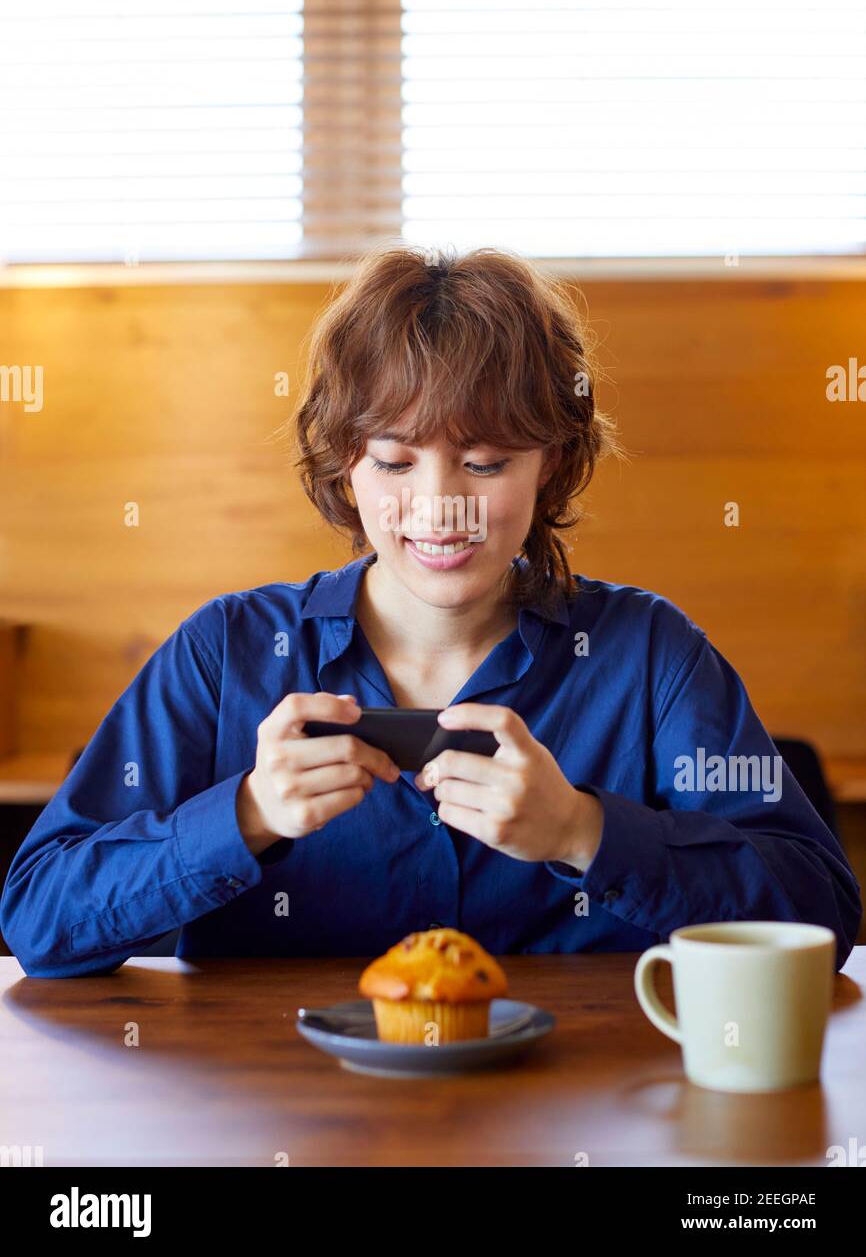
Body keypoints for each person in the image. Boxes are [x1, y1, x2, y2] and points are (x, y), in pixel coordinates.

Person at [1, 247, 860, 976]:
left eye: (485, 464)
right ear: (345, 468)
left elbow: (819, 918)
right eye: (393, 461)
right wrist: (248, 815)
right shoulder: (225, 654)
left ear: (550, 467)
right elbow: (40, 919)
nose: (439, 506)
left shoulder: (650, 656)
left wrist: (583, 831)